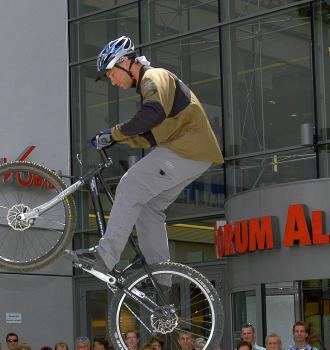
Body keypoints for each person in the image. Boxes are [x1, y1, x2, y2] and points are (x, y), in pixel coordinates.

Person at [67, 35, 223, 274]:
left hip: (186, 149)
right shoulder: (152, 88)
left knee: (130, 184)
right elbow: (151, 135)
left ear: (126, 63)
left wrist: (115, 133)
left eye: (111, 73)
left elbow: (152, 115)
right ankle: (161, 279)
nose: (112, 81)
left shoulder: (154, 77)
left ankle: (104, 257)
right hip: (193, 154)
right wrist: (115, 138)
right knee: (149, 208)